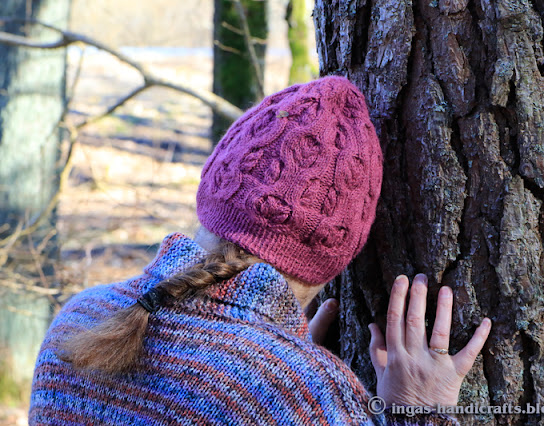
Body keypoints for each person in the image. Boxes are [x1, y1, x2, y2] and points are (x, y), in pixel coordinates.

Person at [29, 76, 491, 425]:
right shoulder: (300, 391)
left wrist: (275, 363)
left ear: (215, 185)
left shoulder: (79, 321)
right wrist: (421, 412)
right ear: (336, 254)